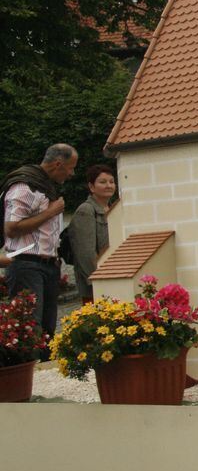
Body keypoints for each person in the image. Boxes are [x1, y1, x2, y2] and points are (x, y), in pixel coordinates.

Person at [1, 144, 78, 341]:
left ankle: (43, 360)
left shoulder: (45, 186)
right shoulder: (24, 187)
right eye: (71, 167)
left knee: (47, 330)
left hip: (48, 265)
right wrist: (50, 212)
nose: (72, 173)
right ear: (58, 164)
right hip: (27, 265)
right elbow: (11, 228)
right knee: (30, 328)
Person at [67, 164, 116, 304]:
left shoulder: (114, 208)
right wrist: (99, 279)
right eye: (103, 182)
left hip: (115, 277)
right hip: (96, 284)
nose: (109, 185)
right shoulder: (86, 210)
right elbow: (85, 253)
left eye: (111, 182)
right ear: (91, 186)